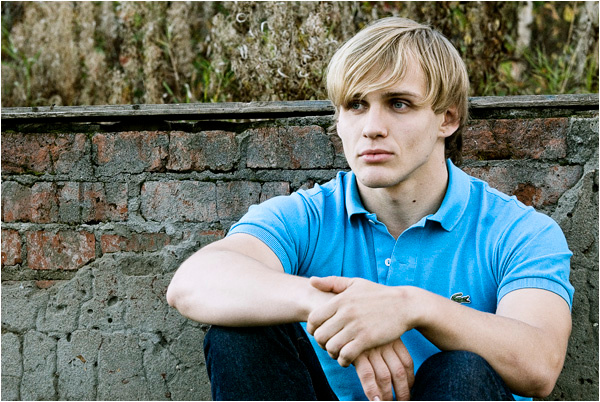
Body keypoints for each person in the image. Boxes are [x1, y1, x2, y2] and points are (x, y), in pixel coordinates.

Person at [167, 17, 574, 401]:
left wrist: (412, 308)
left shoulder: (517, 230)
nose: (372, 127)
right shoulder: (309, 216)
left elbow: (540, 364)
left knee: (461, 369)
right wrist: (331, 306)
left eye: (399, 104)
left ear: (447, 118)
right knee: (239, 334)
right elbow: (192, 283)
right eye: (356, 104)